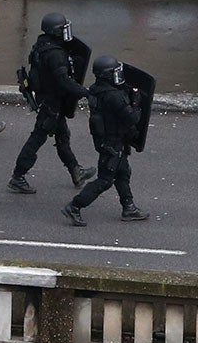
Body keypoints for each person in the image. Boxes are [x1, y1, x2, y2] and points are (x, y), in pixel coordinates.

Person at [10, 11, 94, 195]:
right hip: (51, 103)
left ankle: (75, 171)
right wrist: (85, 93)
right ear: (56, 32)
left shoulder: (42, 45)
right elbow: (63, 80)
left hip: (48, 99)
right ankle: (18, 176)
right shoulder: (55, 54)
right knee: (37, 138)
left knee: (62, 136)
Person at [64, 54, 149, 226]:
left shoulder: (97, 89)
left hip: (110, 141)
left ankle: (129, 207)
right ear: (107, 76)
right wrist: (136, 103)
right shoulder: (113, 96)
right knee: (104, 180)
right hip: (112, 143)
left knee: (123, 172)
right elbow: (132, 118)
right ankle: (75, 206)